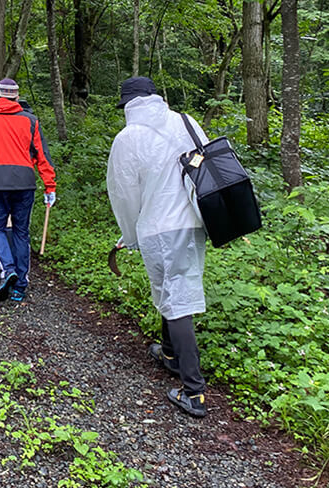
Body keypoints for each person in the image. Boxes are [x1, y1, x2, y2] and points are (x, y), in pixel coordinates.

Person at [106, 76, 209, 418]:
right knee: (172, 287)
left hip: (158, 226)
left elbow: (124, 194)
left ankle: (193, 391)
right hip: (195, 222)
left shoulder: (128, 138)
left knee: (176, 298)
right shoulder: (186, 121)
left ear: (129, 105)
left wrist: (130, 233)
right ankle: (168, 353)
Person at [0, 78, 56, 303]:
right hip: (25, 182)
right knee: (21, 232)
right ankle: (20, 287)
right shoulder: (31, 121)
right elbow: (42, 155)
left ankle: (8, 270)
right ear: (16, 97)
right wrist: (49, 185)